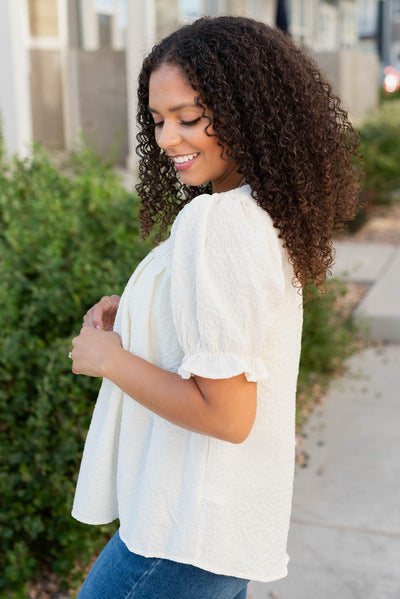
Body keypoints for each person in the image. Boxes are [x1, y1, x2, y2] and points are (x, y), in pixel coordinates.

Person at [69, 16, 360, 599]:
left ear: (248, 109)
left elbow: (227, 414)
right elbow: (227, 339)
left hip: (182, 532)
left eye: (190, 117)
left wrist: (108, 359)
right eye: (157, 120)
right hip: (220, 527)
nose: (167, 139)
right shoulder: (256, 212)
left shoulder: (220, 220)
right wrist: (139, 316)